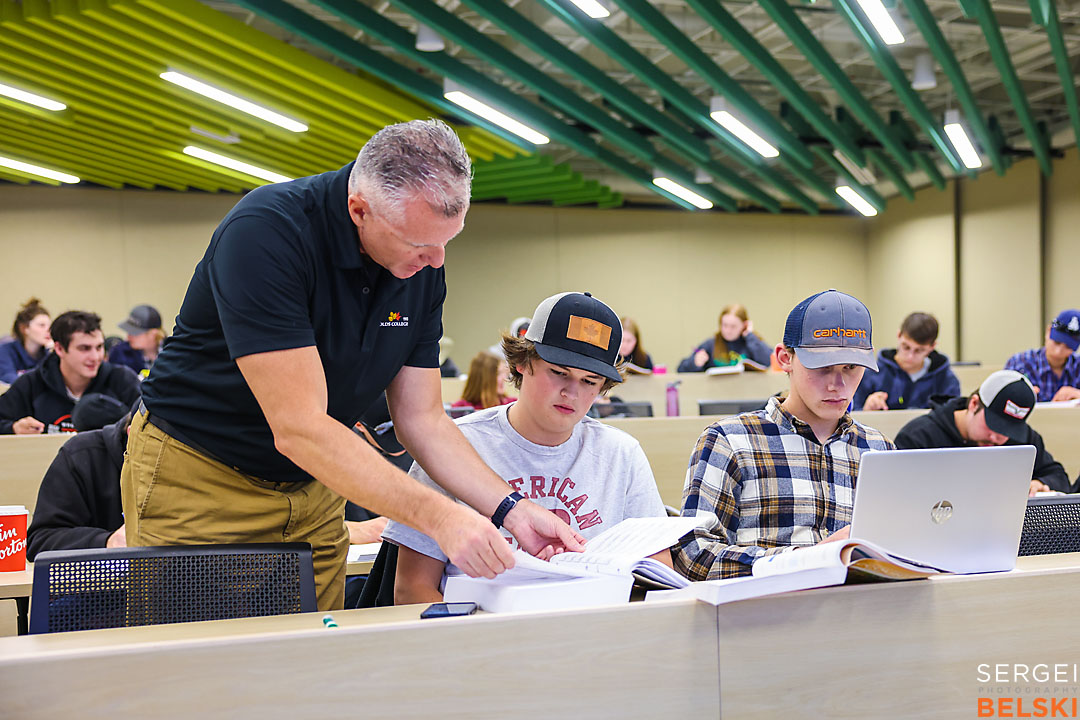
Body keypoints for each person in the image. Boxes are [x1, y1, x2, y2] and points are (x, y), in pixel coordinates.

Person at [122, 119, 582, 612]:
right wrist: (442, 518)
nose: (436, 260)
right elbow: (300, 428)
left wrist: (509, 508)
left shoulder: (422, 264)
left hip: (316, 485)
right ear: (358, 209)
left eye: (448, 241)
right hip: (204, 477)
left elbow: (422, 420)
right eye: (419, 245)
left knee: (317, 659)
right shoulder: (266, 233)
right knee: (201, 665)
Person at [383, 292, 669, 604]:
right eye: (559, 372)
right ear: (522, 363)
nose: (572, 392)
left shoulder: (621, 454)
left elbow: (659, 577)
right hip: (480, 637)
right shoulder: (451, 447)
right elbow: (411, 589)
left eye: (590, 381)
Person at [674, 290, 893, 580]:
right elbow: (692, 556)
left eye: (851, 367)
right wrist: (805, 561)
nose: (838, 384)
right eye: (823, 367)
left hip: (864, 614)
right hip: (766, 618)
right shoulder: (729, 441)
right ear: (784, 358)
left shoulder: (879, 449)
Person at [893, 370, 1072, 495]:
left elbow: (1059, 477)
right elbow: (895, 492)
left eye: (1007, 431)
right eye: (993, 425)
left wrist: (1041, 484)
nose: (996, 437)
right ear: (973, 404)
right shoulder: (918, 437)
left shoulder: (1024, 439)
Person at [0, 311, 140, 434]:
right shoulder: (31, 383)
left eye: (99, 347)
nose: (95, 357)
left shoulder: (122, 379)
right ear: (59, 349)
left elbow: (151, 424)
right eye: (84, 348)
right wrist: (13, 428)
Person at [27, 411, 131, 560]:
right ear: (132, 433)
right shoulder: (82, 454)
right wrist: (107, 543)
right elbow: (40, 542)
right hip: (98, 580)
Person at [853, 312, 961, 411]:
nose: (910, 356)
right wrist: (866, 409)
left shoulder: (946, 380)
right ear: (899, 335)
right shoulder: (871, 373)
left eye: (919, 350)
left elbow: (952, 420)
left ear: (932, 347)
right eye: (906, 347)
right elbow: (850, 418)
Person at [1005, 309, 1080, 403]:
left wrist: (1077, 394)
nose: (1058, 351)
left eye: (1068, 346)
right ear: (1048, 331)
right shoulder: (1020, 363)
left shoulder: (1078, 366)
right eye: (1057, 342)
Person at [677, 303, 771, 372]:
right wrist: (694, 363)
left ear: (744, 325)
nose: (728, 330)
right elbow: (680, 370)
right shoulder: (711, 344)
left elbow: (769, 362)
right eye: (724, 325)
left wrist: (750, 335)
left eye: (733, 326)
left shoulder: (752, 342)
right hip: (716, 394)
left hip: (747, 394)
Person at [0, 298, 51, 385]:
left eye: (50, 326)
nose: (48, 330)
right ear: (24, 328)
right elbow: (8, 378)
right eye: (41, 325)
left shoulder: (50, 353)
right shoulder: (5, 350)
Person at [107, 304, 165, 378]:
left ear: (153, 334)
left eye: (134, 333)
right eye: (128, 331)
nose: (128, 337)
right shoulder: (119, 354)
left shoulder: (174, 351)